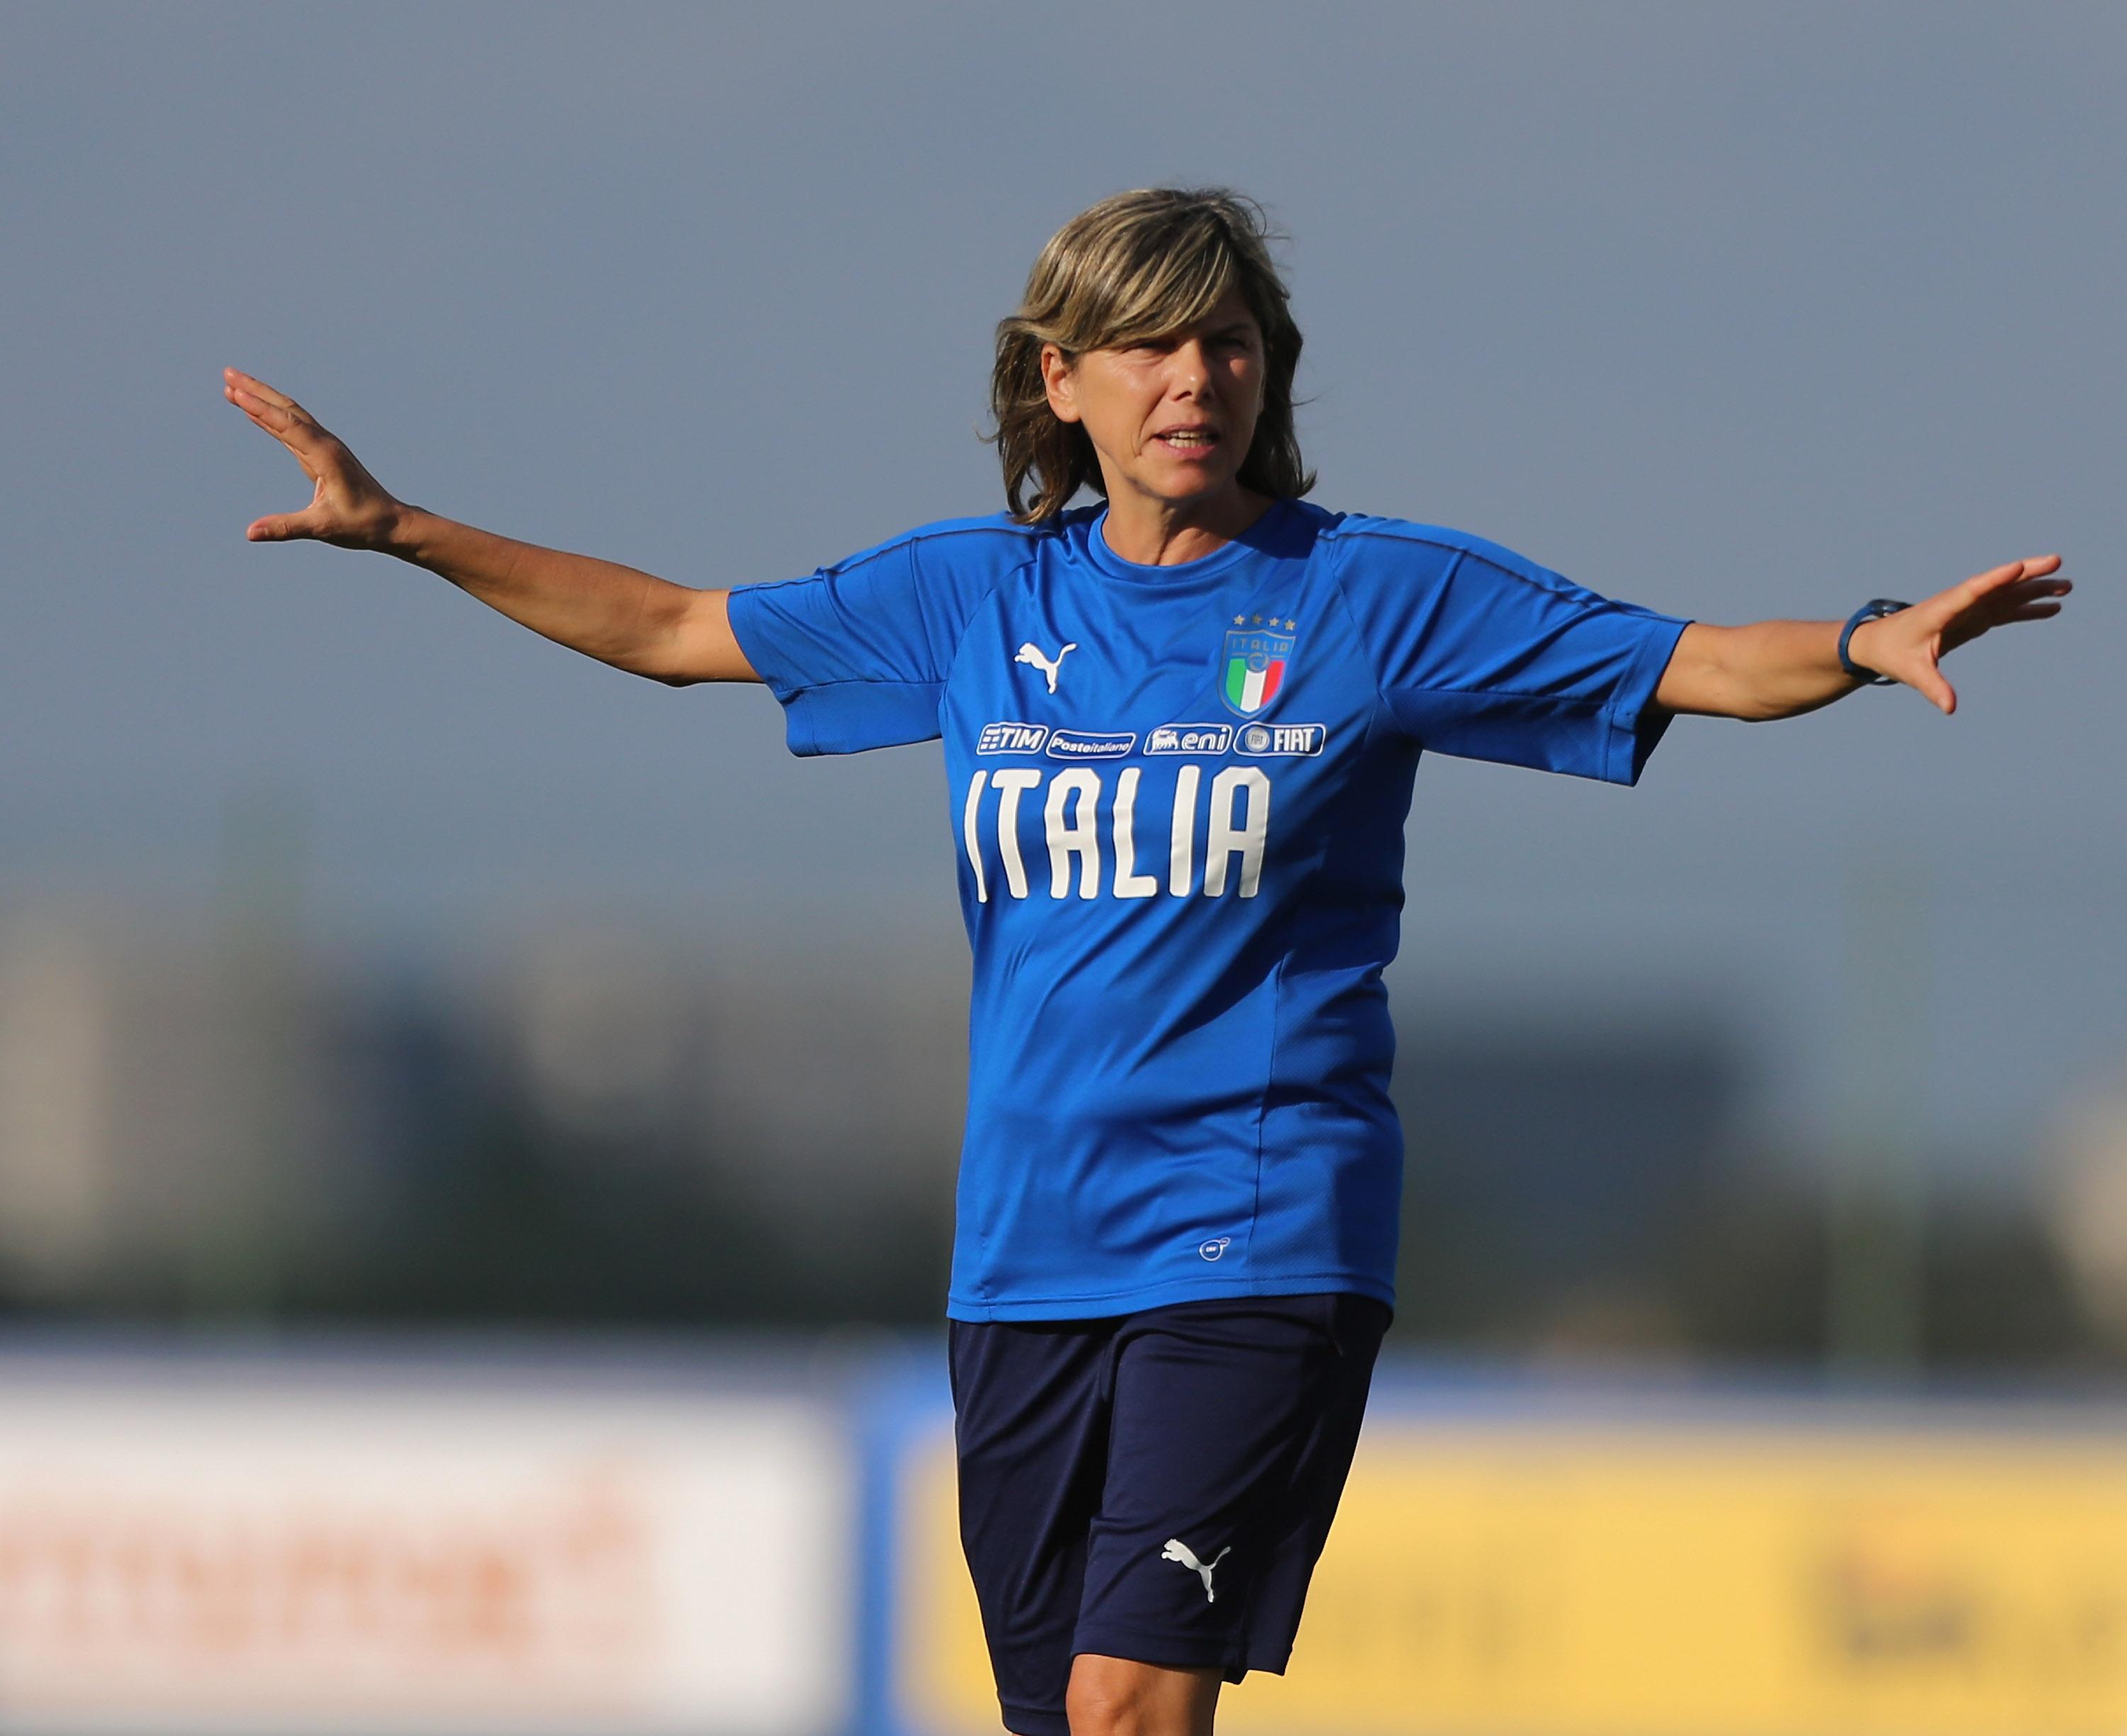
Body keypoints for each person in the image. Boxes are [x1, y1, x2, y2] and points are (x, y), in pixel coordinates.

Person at [225, 187, 2068, 1736]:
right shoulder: (973, 600)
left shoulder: (1374, 593)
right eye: (1153, 345)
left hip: (1257, 1234)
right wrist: (405, 532)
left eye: (1232, 343)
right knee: (1067, 1725)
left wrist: (1865, 630)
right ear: (1064, 379)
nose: (1198, 377)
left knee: (1127, 1704)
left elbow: (1694, 662)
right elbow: (676, 624)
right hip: (1024, 1255)